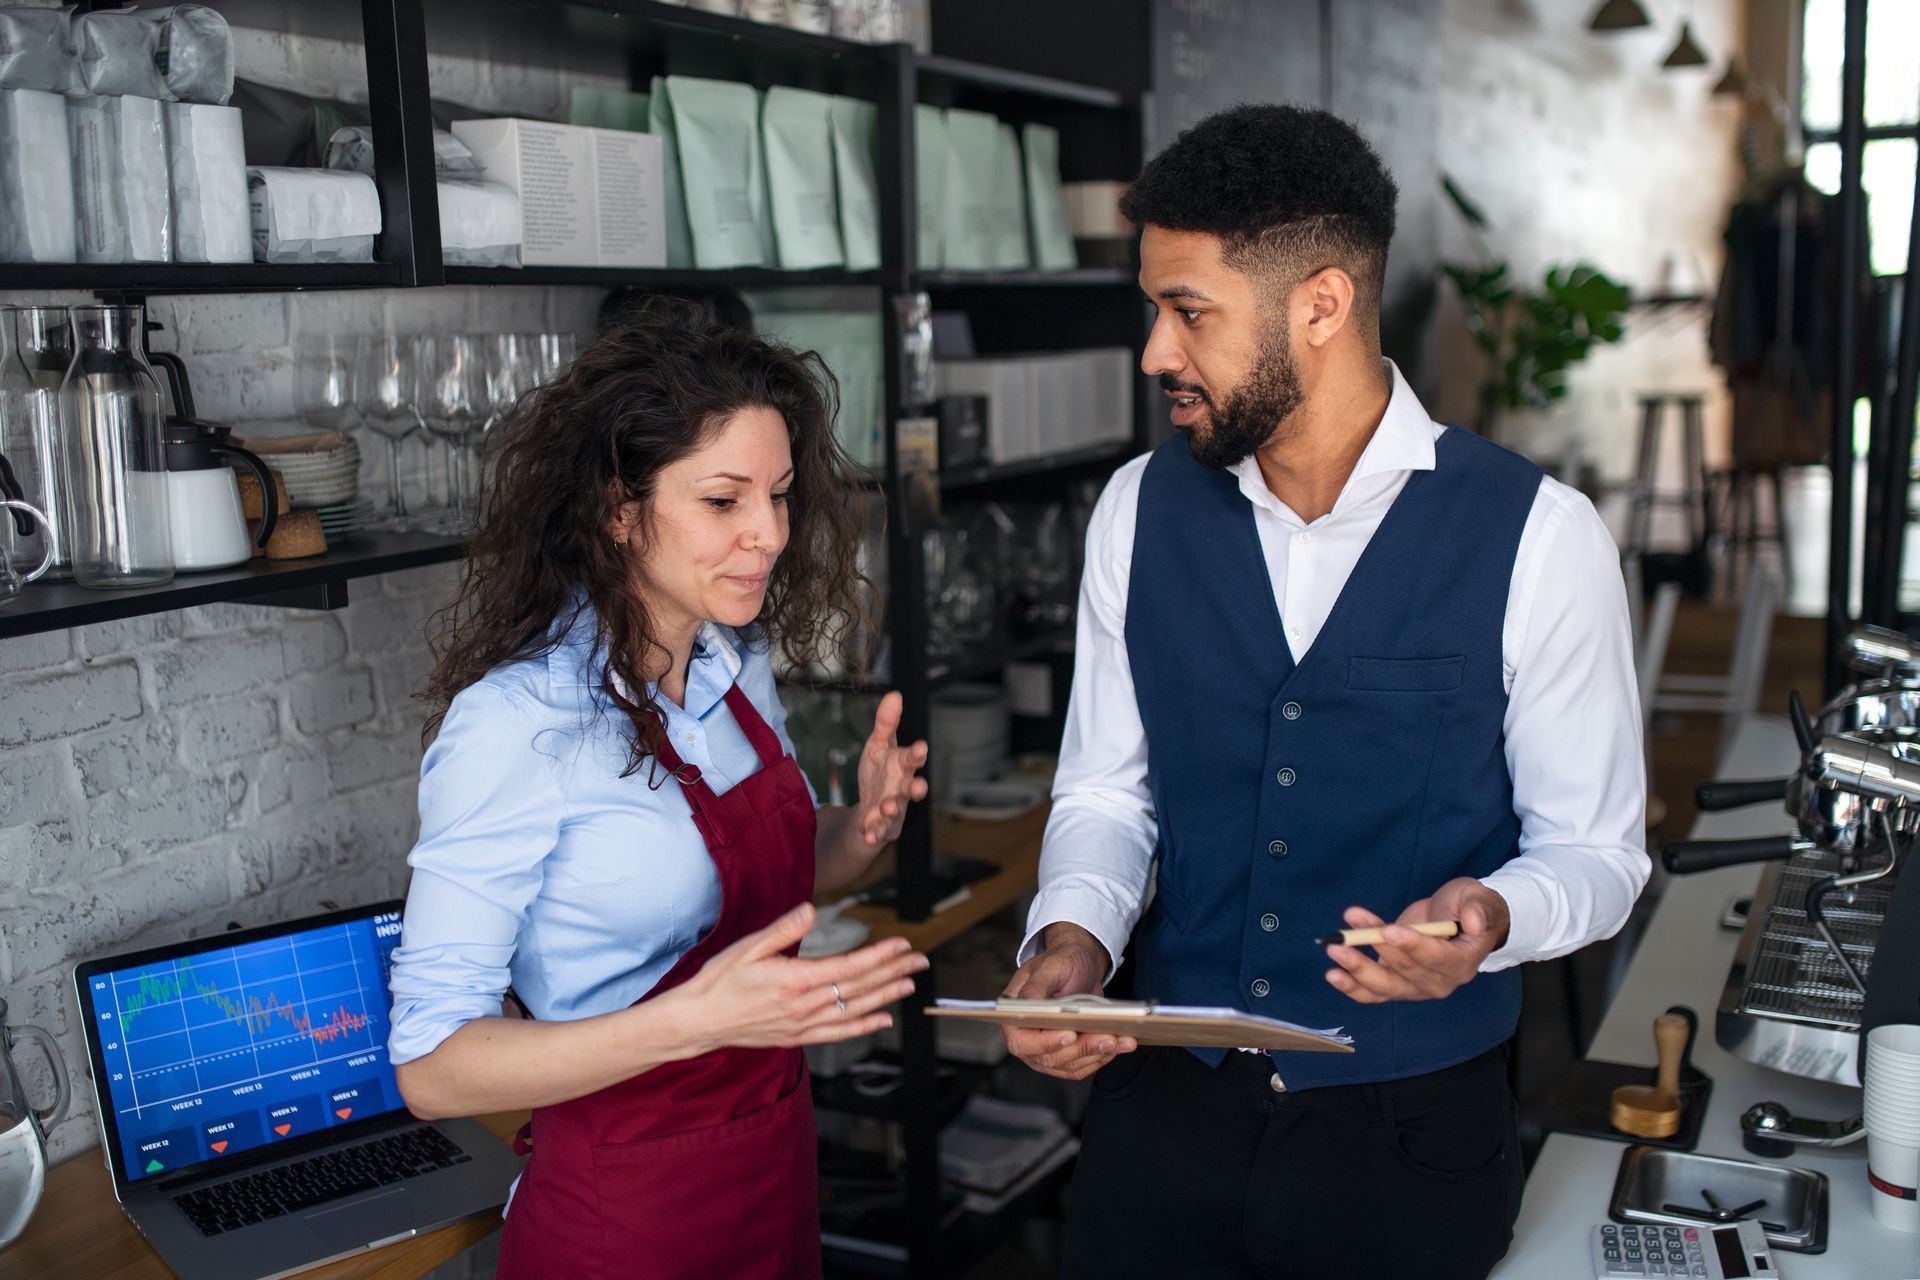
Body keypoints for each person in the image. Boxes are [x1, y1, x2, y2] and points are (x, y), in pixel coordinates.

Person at [1001, 105, 1650, 1279]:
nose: (1155, 352)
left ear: (1322, 303)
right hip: (1164, 1117)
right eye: (1156, 308)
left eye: (1188, 311)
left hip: (1409, 1138)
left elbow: (1599, 855)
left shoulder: (1542, 538)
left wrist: (1494, 920)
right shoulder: (1135, 512)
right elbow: (1106, 786)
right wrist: (1073, 935)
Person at [384, 299, 929, 1280]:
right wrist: (697, 1019)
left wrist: (862, 828)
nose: (767, 532)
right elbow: (431, 1066)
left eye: (782, 493)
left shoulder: (733, 664)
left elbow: (767, 883)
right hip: (625, 1219)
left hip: (771, 1173)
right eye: (724, 501)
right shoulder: (515, 725)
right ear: (618, 509)